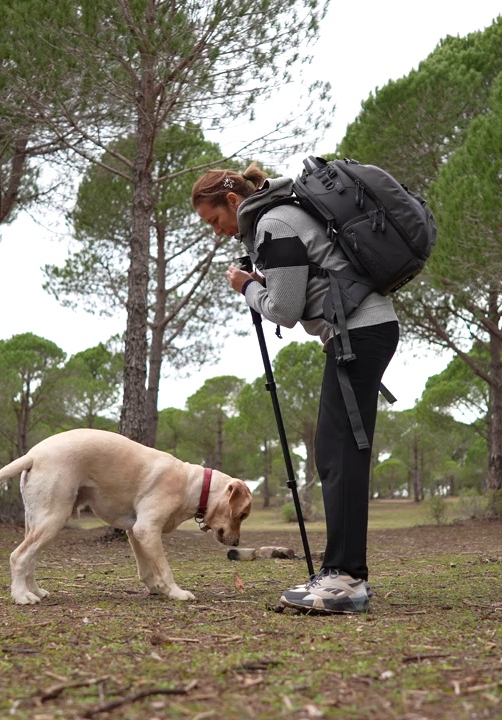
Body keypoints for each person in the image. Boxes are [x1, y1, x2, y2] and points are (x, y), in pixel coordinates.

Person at [191, 163, 399, 614]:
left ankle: (346, 579)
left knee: (338, 455)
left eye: (214, 221)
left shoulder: (273, 224)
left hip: (357, 334)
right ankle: (343, 573)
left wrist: (247, 287)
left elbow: (284, 310)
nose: (217, 232)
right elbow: (304, 288)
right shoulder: (278, 217)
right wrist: (262, 285)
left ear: (232, 202)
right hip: (360, 332)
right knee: (335, 453)